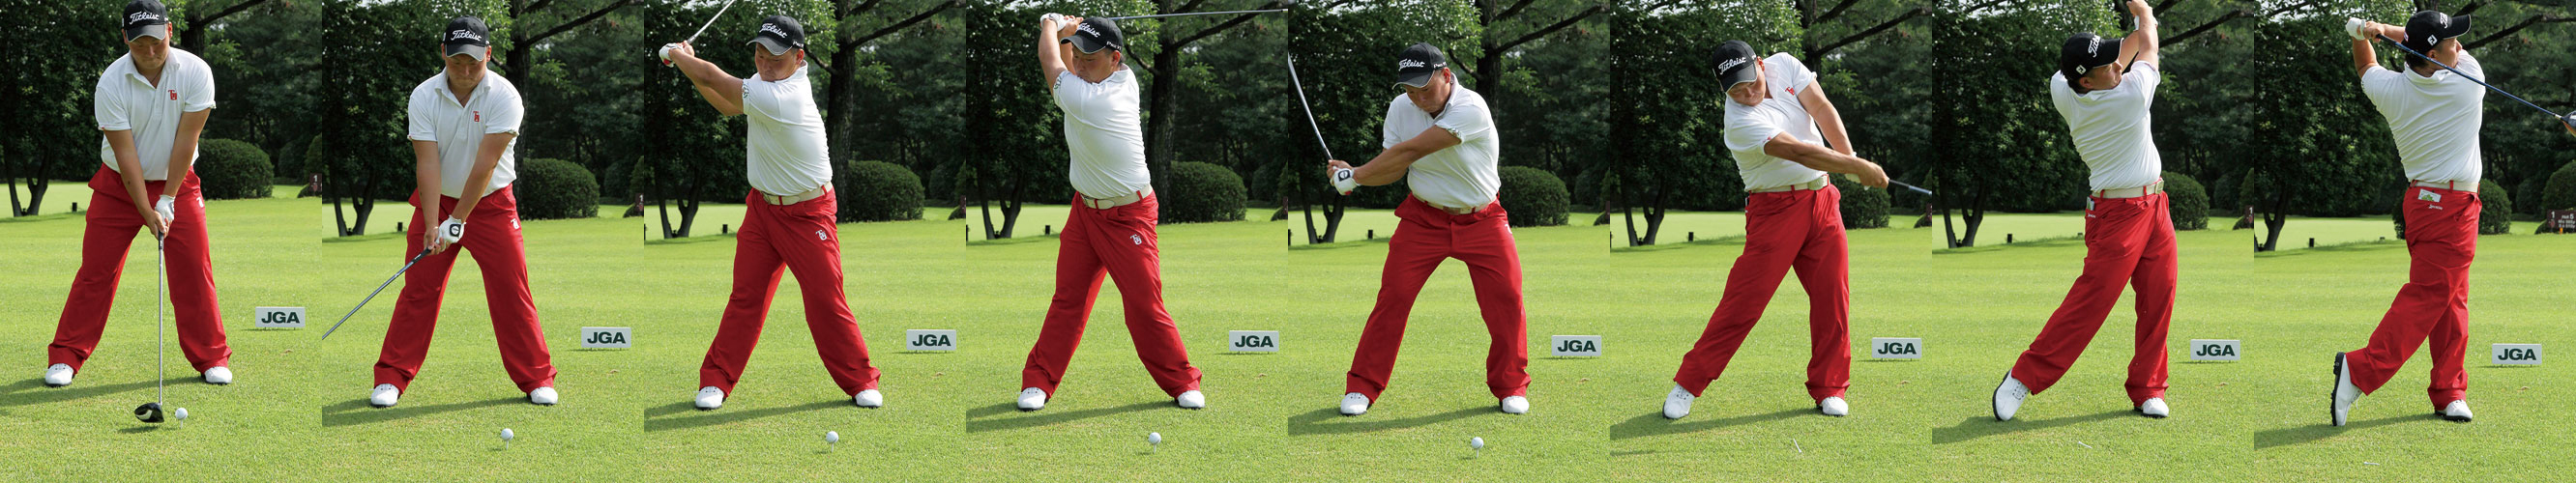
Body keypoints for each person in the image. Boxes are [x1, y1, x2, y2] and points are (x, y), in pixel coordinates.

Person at [663, 14, 884, 411]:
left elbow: (713, 78)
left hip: (808, 213)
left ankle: (861, 380)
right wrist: (687, 65)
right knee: (745, 298)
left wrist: (675, 55)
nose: (765, 63)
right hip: (762, 210)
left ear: (799, 59)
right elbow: (725, 104)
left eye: (776, 58)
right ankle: (716, 380)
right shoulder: (763, 85)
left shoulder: (787, 97)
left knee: (825, 300)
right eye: (760, 54)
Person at [1660, 41, 1888, 420]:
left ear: (1761, 64)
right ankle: (1688, 384)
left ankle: (1830, 387)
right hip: (1774, 211)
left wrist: (1849, 159)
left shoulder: (1785, 65)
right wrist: (1856, 167)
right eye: (1736, 90)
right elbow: (1798, 150)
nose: (1748, 94)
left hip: (1822, 200)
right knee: (1743, 304)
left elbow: (1821, 108)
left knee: (1833, 298)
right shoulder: (1738, 122)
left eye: (1751, 82)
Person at [1324, 43, 1530, 416]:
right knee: (1393, 298)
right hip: (1423, 219)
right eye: (1409, 89)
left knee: (1507, 300)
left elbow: (1411, 152)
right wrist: (1354, 178)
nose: (1417, 98)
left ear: (1446, 76)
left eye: (1424, 87)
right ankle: (1362, 386)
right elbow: (1393, 167)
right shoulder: (1400, 108)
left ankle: (1511, 386)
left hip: (1482, 219)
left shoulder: (1471, 108)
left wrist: (1353, 175)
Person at [1993, 0, 2175, 421]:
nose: (2118, 67)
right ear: (2088, 82)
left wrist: (2117, 46)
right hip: (2118, 215)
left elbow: (2119, 53)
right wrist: (2143, 11)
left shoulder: (2064, 88)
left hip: (2156, 206)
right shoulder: (2130, 97)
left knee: (2159, 296)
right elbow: (2147, 43)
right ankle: (2022, 377)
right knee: (2092, 302)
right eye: (2108, 67)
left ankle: (2148, 387)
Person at [1012, 14, 1205, 412]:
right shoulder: (1115, 77)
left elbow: (1051, 62)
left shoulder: (1098, 100)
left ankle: (1183, 381)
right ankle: (1038, 381)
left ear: (1115, 59)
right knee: (1068, 300)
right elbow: (1070, 63)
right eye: (1078, 57)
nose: (1080, 66)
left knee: (1143, 304)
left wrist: (1050, 25)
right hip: (1084, 211)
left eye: (1090, 59)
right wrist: (1074, 33)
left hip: (1128, 215)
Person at [368, 16, 557, 408]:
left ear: (488, 54)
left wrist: (458, 220)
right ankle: (391, 377)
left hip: (492, 205)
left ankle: (537, 378)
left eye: (474, 62)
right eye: (457, 62)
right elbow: (427, 163)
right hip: (437, 202)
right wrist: (434, 223)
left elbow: (485, 164)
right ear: (444, 53)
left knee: (511, 290)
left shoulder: (505, 96)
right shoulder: (424, 95)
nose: (466, 71)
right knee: (419, 290)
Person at [47, 0, 234, 388]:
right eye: (139, 44)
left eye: (156, 42)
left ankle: (211, 357)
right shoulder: (111, 82)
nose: (149, 52)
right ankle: (66, 356)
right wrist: (147, 210)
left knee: (194, 270)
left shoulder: (196, 72)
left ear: (169, 31)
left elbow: (186, 140)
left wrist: (167, 198)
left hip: (178, 183)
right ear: (125, 39)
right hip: (119, 186)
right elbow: (126, 154)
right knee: (96, 272)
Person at [2328, 11, 2486, 425]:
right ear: (2434, 54)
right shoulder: (2469, 82)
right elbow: (2418, 45)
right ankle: (2360, 369)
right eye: (2451, 42)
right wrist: (2383, 30)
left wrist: (2362, 34)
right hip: (2452, 209)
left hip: (2421, 203)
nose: (2459, 46)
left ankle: (2449, 391)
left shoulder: (2390, 90)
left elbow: (2366, 65)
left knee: (2452, 300)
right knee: (2429, 296)